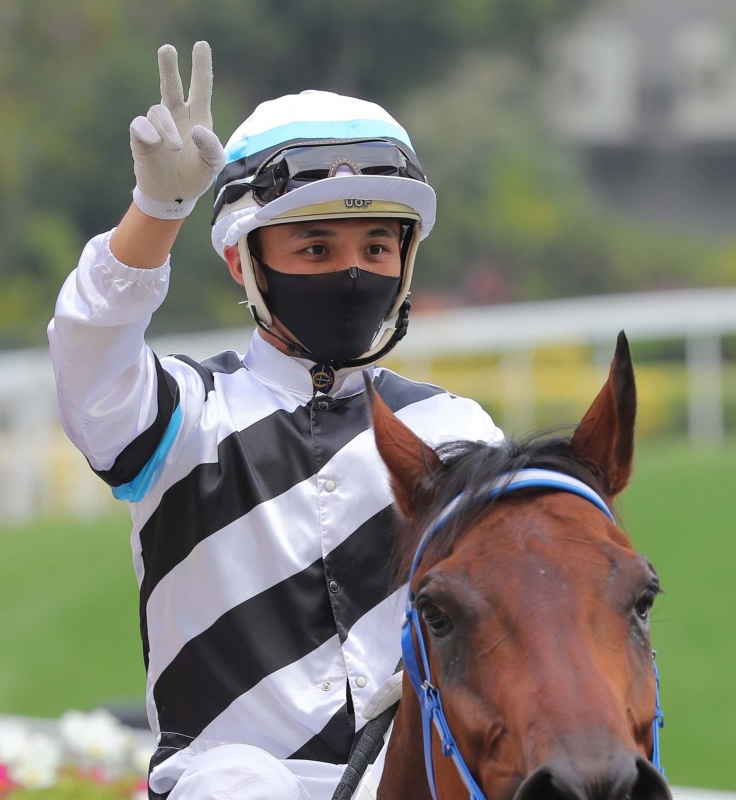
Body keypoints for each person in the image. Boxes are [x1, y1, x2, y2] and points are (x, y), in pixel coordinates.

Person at [48, 41, 501, 800]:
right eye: (315, 247)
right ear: (242, 262)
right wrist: (155, 214)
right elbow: (88, 357)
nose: (353, 272)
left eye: (378, 246)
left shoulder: (456, 434)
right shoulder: (184, 413)